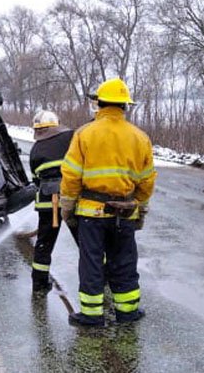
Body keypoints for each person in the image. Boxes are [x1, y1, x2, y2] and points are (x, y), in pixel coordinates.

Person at [59, 77, 156, 327]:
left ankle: (92, 315)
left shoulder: (84, 134)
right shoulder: (140, 137)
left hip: (92, 215)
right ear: (125, 106)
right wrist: (140, 209)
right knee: (124, 262)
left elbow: (71, 176)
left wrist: (67, 209)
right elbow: (146, 181)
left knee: (91, 263)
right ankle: (127, 312)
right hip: (125, 213)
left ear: (99, 104)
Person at [29, 110, 78, 293]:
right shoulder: (71, 137)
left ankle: (39, 284)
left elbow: (36, 179)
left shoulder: (35, 150)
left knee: (44, 244)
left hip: (47, 203)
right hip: (70, 199)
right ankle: (102, 277)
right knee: (87, 242)